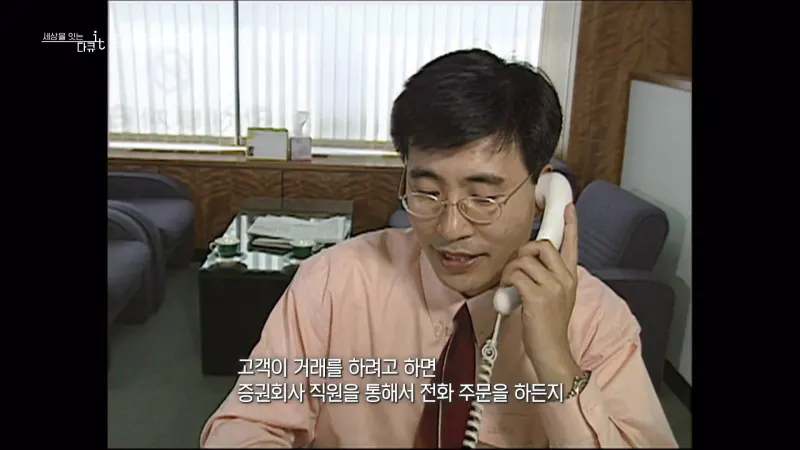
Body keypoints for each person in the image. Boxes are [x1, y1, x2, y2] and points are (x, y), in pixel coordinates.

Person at [200, 49, 677, 448]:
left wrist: (555, 359)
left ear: (542, 195)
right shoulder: (333, 282)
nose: (449, 228)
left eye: (483, 198)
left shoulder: (597, 320)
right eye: (427, 191)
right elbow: (245, 425)